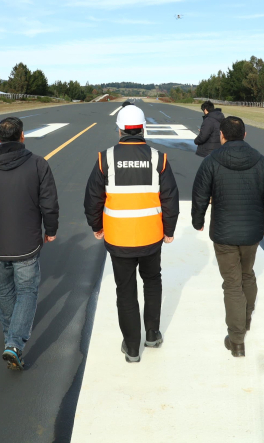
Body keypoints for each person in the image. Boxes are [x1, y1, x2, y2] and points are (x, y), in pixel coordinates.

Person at [84, 105, 179, 363]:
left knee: (125, 291)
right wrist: (169, 229)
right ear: (143, 128)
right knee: (152, 282)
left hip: (119, 239)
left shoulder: (105, 158)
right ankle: (152, 334)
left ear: (120, 130)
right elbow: (170, 197)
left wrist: (96, 226)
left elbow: (93, 198)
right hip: (151, 237)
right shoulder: (159, 158)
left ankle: (133, 348)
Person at [0, 116, 59, 371]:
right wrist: (50, 229)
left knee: (4, 290)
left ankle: (10, 337)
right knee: (27, 291)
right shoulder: (38, 164)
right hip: (27, 243)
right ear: (22, 136)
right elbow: (48, 201)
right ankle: (14, 344)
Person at [191, 115, 264, 357]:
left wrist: (198, 221)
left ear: (221, 136)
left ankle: (237, 339)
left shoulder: (211, 160)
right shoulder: (260, 160)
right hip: (252, 231)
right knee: (247, 274)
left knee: (232, 283)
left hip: (224, 232)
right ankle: (246, 320)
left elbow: (200, 195)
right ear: (245, 135)